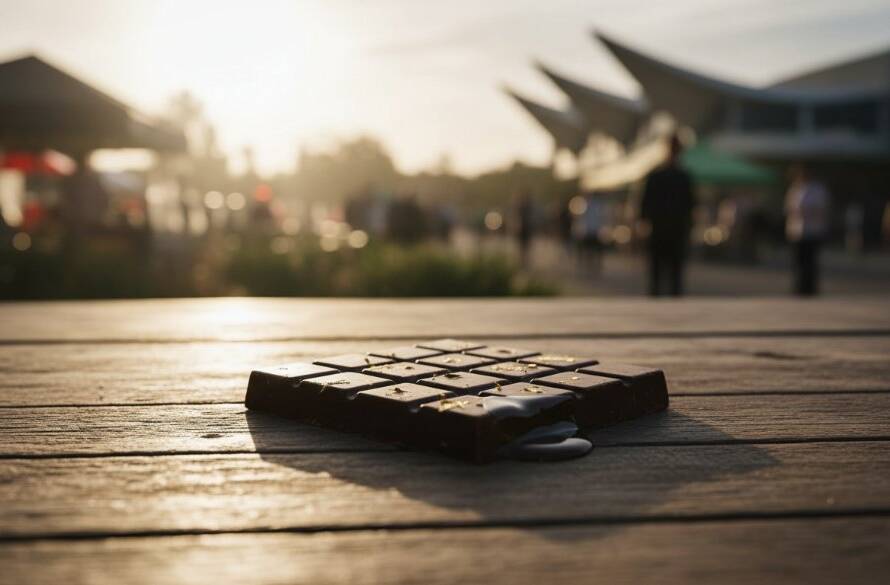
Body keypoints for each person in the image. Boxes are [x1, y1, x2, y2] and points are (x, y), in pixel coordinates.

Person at [639, 134, 696, 296]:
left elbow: (645, 204)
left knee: (667, 274)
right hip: (668, 230)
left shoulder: (673, 176)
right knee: (665, 274)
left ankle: (664, 303)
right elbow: (691, 205)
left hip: (669, 230)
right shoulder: (680, 177)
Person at [785, 164, 830, 296]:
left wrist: (807, 211)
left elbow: (822, 208)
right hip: (796, 230)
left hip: (813, 230)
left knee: (811, 261)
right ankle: (799, 287)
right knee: (798, 260)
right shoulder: (794, 189)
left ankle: (810, 288)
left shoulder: (818, 190)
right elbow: (789, 208)